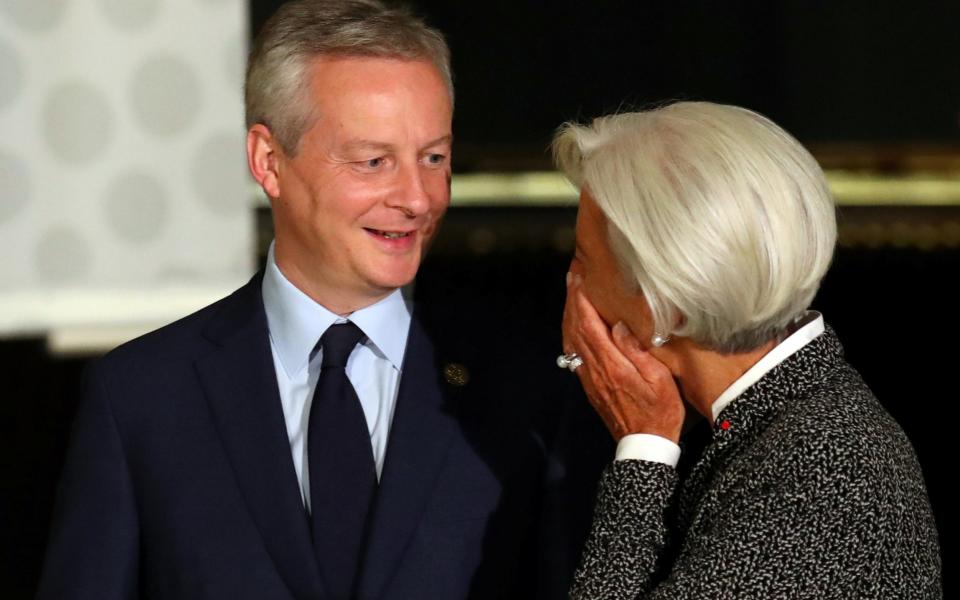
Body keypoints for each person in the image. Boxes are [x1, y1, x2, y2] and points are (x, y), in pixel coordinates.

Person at [37, 1, 563, 598]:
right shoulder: (142, 398)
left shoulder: (525, 388)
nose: (418, 198)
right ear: (268, 161)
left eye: (434, 158)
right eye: (374, 161)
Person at [552, 101, 942, 599]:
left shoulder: (820, 473)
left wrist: (643, 457)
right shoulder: (780, 424)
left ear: (665, 307)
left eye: (584, 259)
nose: (573, 281)